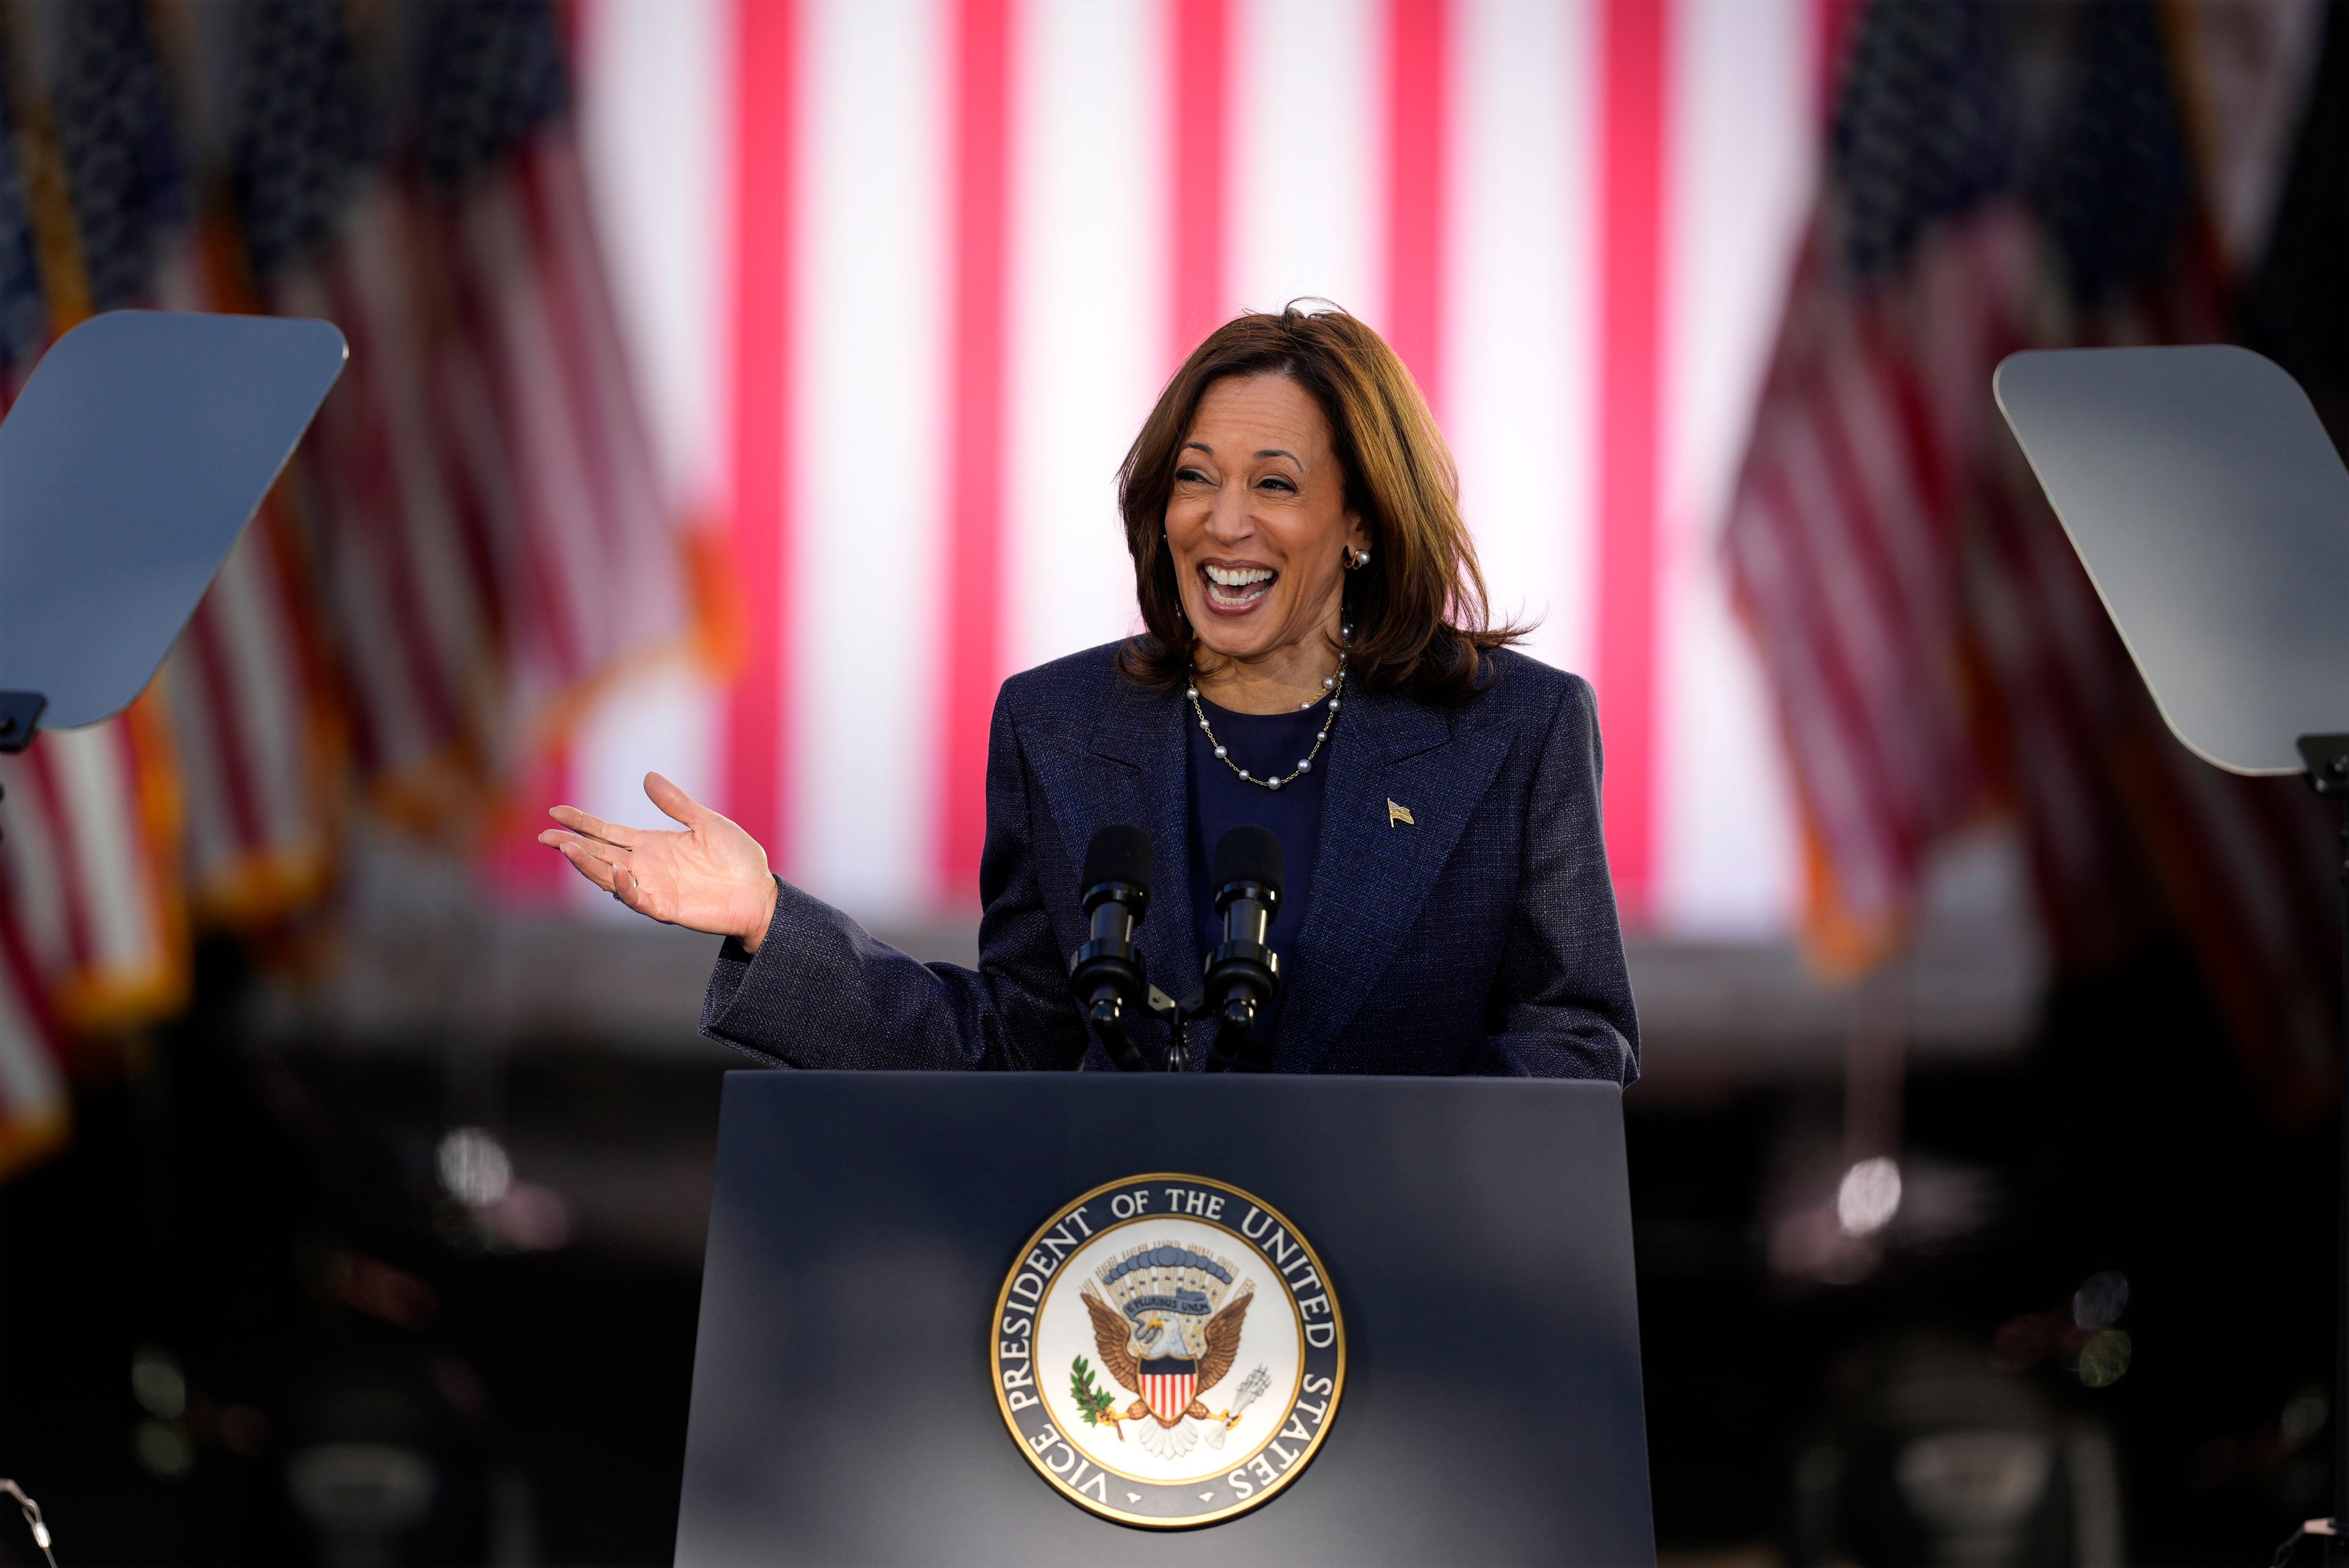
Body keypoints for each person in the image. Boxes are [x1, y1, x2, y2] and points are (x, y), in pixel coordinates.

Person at [541, 305, 1637, 1079]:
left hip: (1408, 1319)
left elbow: (1573, 1036)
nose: (1224, 522)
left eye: (1276, 485)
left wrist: (1388, 1175)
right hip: (1131, 1318)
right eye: (1194, 477)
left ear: (1361, 523)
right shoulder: (1057, 727)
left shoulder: (1514, 730)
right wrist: (772, 924)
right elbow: (1019, 1046)